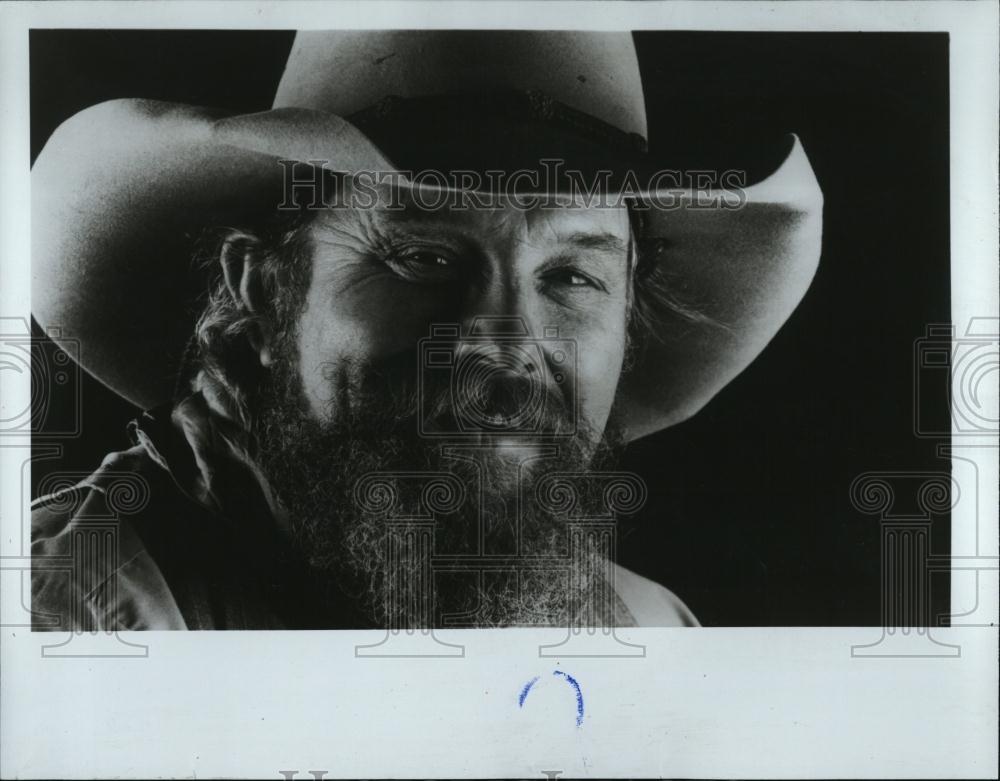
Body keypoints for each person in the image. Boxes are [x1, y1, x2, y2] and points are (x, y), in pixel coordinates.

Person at [29, 30, 823, 630]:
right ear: (262, 290)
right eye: (423, 256)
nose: (502, 351)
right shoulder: (72, 621)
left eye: (573, 276)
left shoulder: (644, 631)